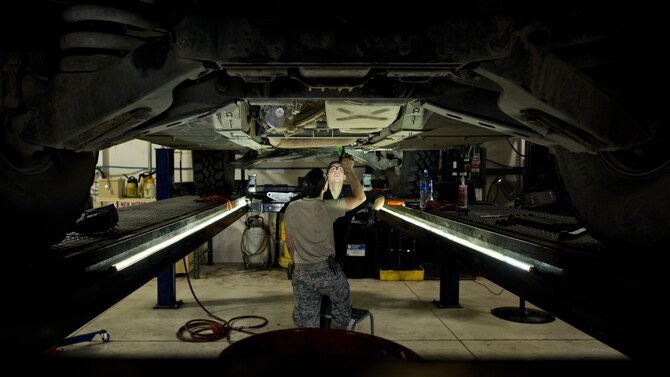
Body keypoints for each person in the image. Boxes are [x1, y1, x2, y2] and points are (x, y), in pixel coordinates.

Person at [284, 155, 366, 329]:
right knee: (343, 306)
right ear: (325, 187)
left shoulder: (291, 207)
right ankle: (334, 339)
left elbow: (289, 243)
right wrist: (349, 170)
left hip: (301, 272)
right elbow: (360, 198)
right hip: (326, 272)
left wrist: (300, 263)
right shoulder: (328, 207)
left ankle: (310, 348)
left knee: (305, 319)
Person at [324, 160, 385, 267]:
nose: (336, 171)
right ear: (327, 176)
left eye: (340, 169)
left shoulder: (352, 194)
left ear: (344, 176)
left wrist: (373, 212)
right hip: (322, 247)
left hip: (343, 246)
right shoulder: (321, 194)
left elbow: (380, 197)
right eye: (333, 169)